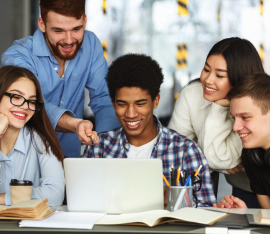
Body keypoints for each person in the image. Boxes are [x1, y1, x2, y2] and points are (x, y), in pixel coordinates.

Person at [1, 0, 119, 158]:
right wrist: (75, 124)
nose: (69, 40)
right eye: (58, 31)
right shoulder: (18, 57)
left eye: (76, 29)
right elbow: (31, 105)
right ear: (42, 24)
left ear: (85, 21)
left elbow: (103, 99)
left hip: (70, 157)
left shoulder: (91, 45)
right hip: (25, 157)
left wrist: (104, 144)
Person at [83, 53, 216, 207]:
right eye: (122, 104)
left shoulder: (185, 151)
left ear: (155, 101)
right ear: (113, 104)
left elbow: (207, 210)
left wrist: (175, 205)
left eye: (140, 104)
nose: (131, 114)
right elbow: (84, 204)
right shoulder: (98, 148)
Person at [168, 37, 264, 207]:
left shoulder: (253, 103)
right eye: (206, 69)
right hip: (239, 189)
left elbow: (224, 159)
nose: (208, 80)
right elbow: (176, 152)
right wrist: (214, 165)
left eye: (219, 75)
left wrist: (219, 108)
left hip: (259, 185)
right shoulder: (191, 95)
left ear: (239, 79)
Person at [0, 65, 65, 206]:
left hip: (27, 227)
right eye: (16, 97)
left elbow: (55, 194)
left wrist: (4, 198)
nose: (25, 106)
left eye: (31, 101)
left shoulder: (41, 140)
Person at [215, 73, 270, 209]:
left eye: (245, 117)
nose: (235, 127)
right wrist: (246, 214)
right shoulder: (252, 156)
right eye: (234, 118)